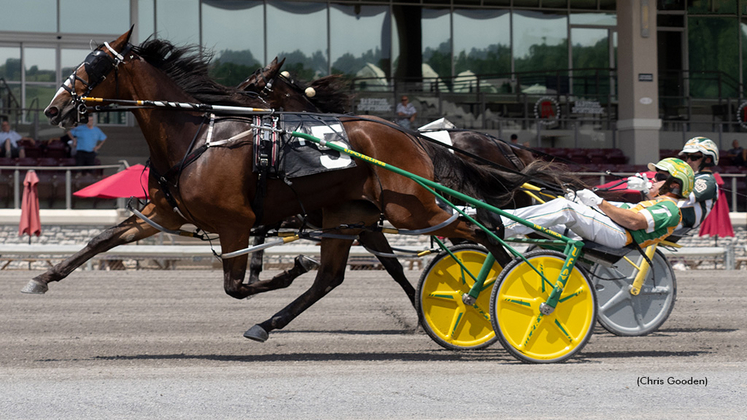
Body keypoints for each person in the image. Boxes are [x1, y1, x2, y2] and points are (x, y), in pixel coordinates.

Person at [499, 158, 694, 249]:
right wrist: (585, 203)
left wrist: (598, 202)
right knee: (547, 219)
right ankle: (489, 217)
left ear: (675, 185)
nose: (652, 179)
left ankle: (499, 227)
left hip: (621, 235)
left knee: (565, 208)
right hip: (610, 228)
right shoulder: (653, 203)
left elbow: (634, 222)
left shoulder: (671, 209)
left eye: (659, 177)